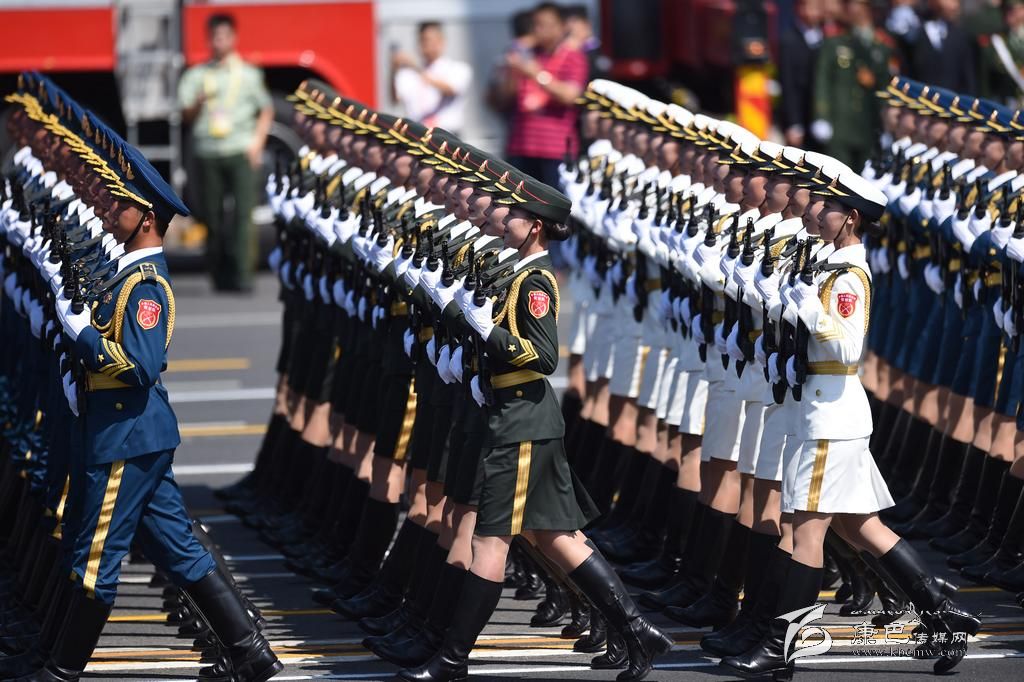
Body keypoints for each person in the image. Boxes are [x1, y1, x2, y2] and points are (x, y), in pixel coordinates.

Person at [178, 12, 273, 292]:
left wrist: (257, 143)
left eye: (224, 36)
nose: (219, 42)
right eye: (214, 37)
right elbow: (185, 115)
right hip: (208, 151)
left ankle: (243, 274)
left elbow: (266, 109)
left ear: (233, 38)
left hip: (240, 149)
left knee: (244, 214)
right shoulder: (197, 75)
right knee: (211, 214)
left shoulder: (248, 74)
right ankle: (218, 273)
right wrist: (198, 103)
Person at [500, 2, 588, 190]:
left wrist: (536, 75)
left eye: (546, 24)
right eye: (536, 24)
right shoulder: (527, 54)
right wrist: (512, 72)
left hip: (555, 150)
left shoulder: (573, 56)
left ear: (562, 26)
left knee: (554, 204)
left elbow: (570, 96)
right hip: (521, 145)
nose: (539, 30)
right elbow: (502, 99)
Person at [811, 0, 895, 170]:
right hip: (840, 124)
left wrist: (887, 125)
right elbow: (822, 82)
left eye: (854, 4)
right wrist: (821, 116)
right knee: (838, 176)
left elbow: (885, 88)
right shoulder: (835, 43)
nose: (848, 8)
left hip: (869, 126)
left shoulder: (881, 46)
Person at [392, 22, 473, 136]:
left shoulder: (457, 68)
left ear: (441, 41)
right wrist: (394, 69)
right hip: (417, 134)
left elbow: (450, 89)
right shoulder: (408, 73)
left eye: (429, 40)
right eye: (422, 40)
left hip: (447, 135)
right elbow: (395, 98)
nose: (425, 45)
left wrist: (416, 69)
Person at [778, 0, 825, 148]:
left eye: (818, 7)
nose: (814, 13)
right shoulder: (789, 39)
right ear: (799, 8)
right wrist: (794, 123)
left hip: (820, 117)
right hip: (800, 117)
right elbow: (788, 83)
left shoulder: (825, 37)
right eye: (810, 7)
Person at [905, 0, 977, 93]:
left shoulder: (960, 36)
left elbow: (968, 78)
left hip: (952, 99)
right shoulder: (913, 33)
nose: (955, 6)